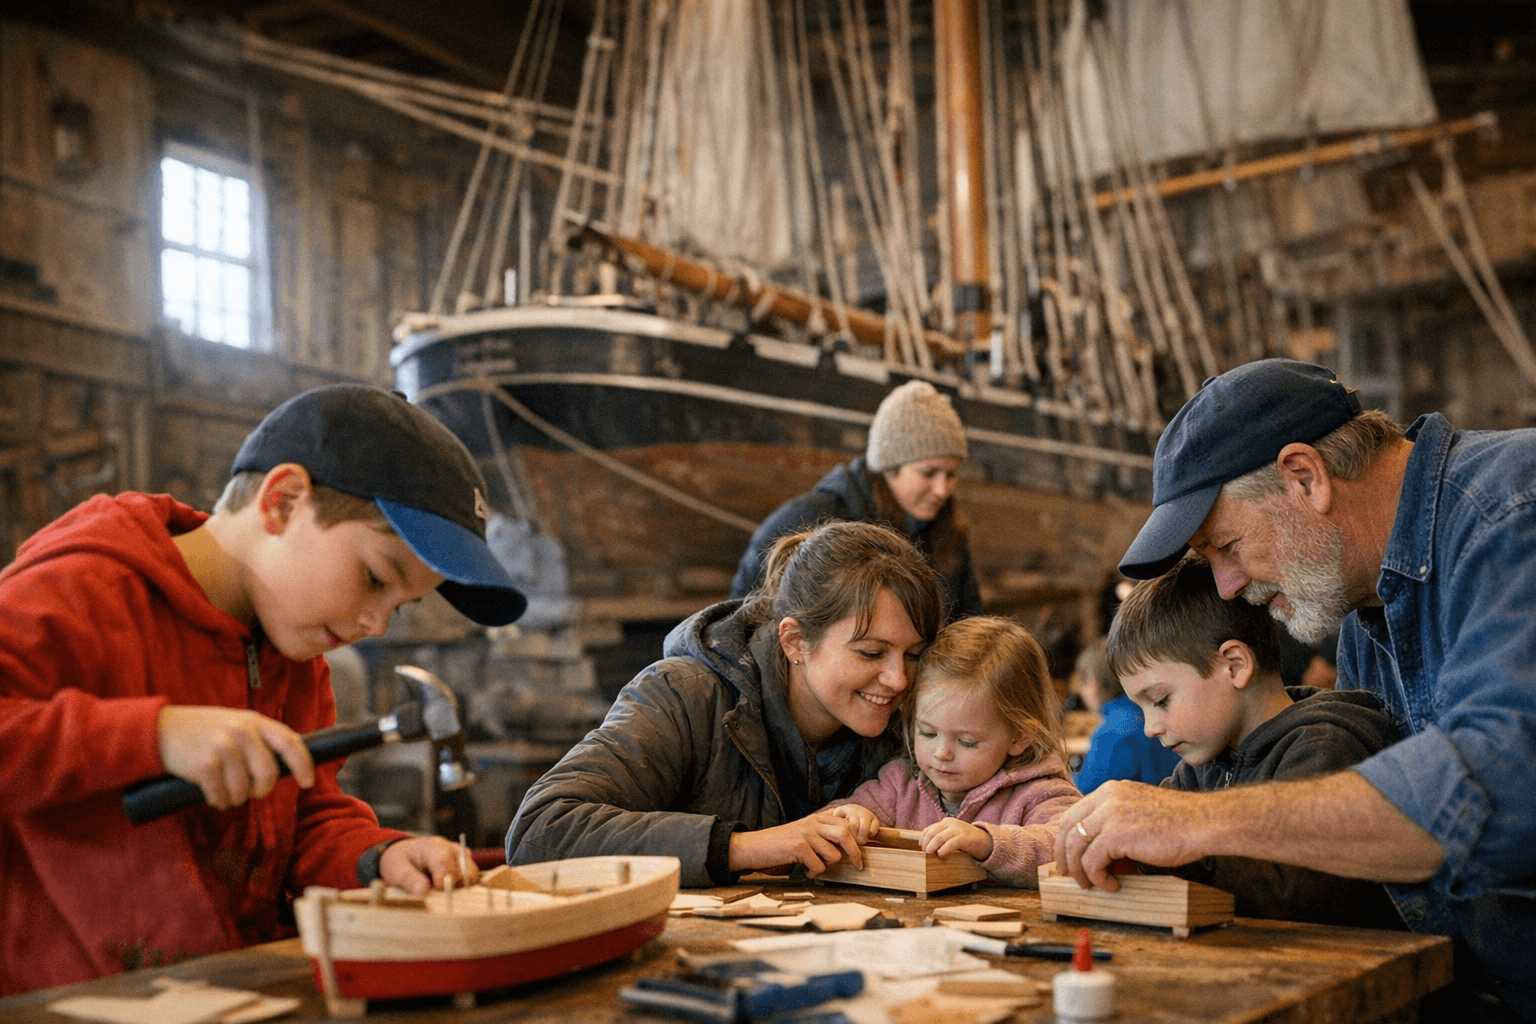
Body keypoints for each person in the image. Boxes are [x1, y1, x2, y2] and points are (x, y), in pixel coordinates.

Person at [0, 384, 528, 996]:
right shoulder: (79, 590)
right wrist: (153, 734)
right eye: (374, 577)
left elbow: (308, 817)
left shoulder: (295, 656)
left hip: (219, 993)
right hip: (66, 1003)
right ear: (282, 502)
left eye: (401, 608)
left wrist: (375, 859)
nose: (376, 625)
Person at [1053, 358, 1536, 1021]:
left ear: (1304, 477)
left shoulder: (1513, 511)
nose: (1225, 586)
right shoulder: (1365, 624)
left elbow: (1498, 789)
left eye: (1225, 545)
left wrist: (1196, 824)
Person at [506, 519, 945, 888]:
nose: (898, 679)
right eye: (870, 653)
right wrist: (749, 846)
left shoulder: (916, 721)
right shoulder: (683, 696)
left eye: (912, 654)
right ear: (795, 641)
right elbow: (539, 833)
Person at [1106, 554, 1401, 928]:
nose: (1150, 727)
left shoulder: (1325, 747)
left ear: (1235, 665)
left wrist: (1174, 839)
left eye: (1161, 700)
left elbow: (1294, 894)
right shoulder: (1203, 769)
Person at [821, 616, 1079, 887]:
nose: (942, 753)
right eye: (928, 733)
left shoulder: (1041, 792)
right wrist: (847, 817)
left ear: (1019, 737)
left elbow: (1066, 845)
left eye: (967, 741)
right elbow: (816, 830)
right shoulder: (901, 787)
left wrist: (988, 843)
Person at [729, 379, 983, 619]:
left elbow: (967, 619)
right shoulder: (809, 520)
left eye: (951, 474)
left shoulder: (950, 535)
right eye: (928, 473)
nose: (942, 489)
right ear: (888, 466)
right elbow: (744, 615)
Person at [1072, 637, 1181, 794]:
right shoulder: (1155, 714)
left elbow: (1084, 795)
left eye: (1082, 684)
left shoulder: (1111, 733)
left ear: (1092, 684)